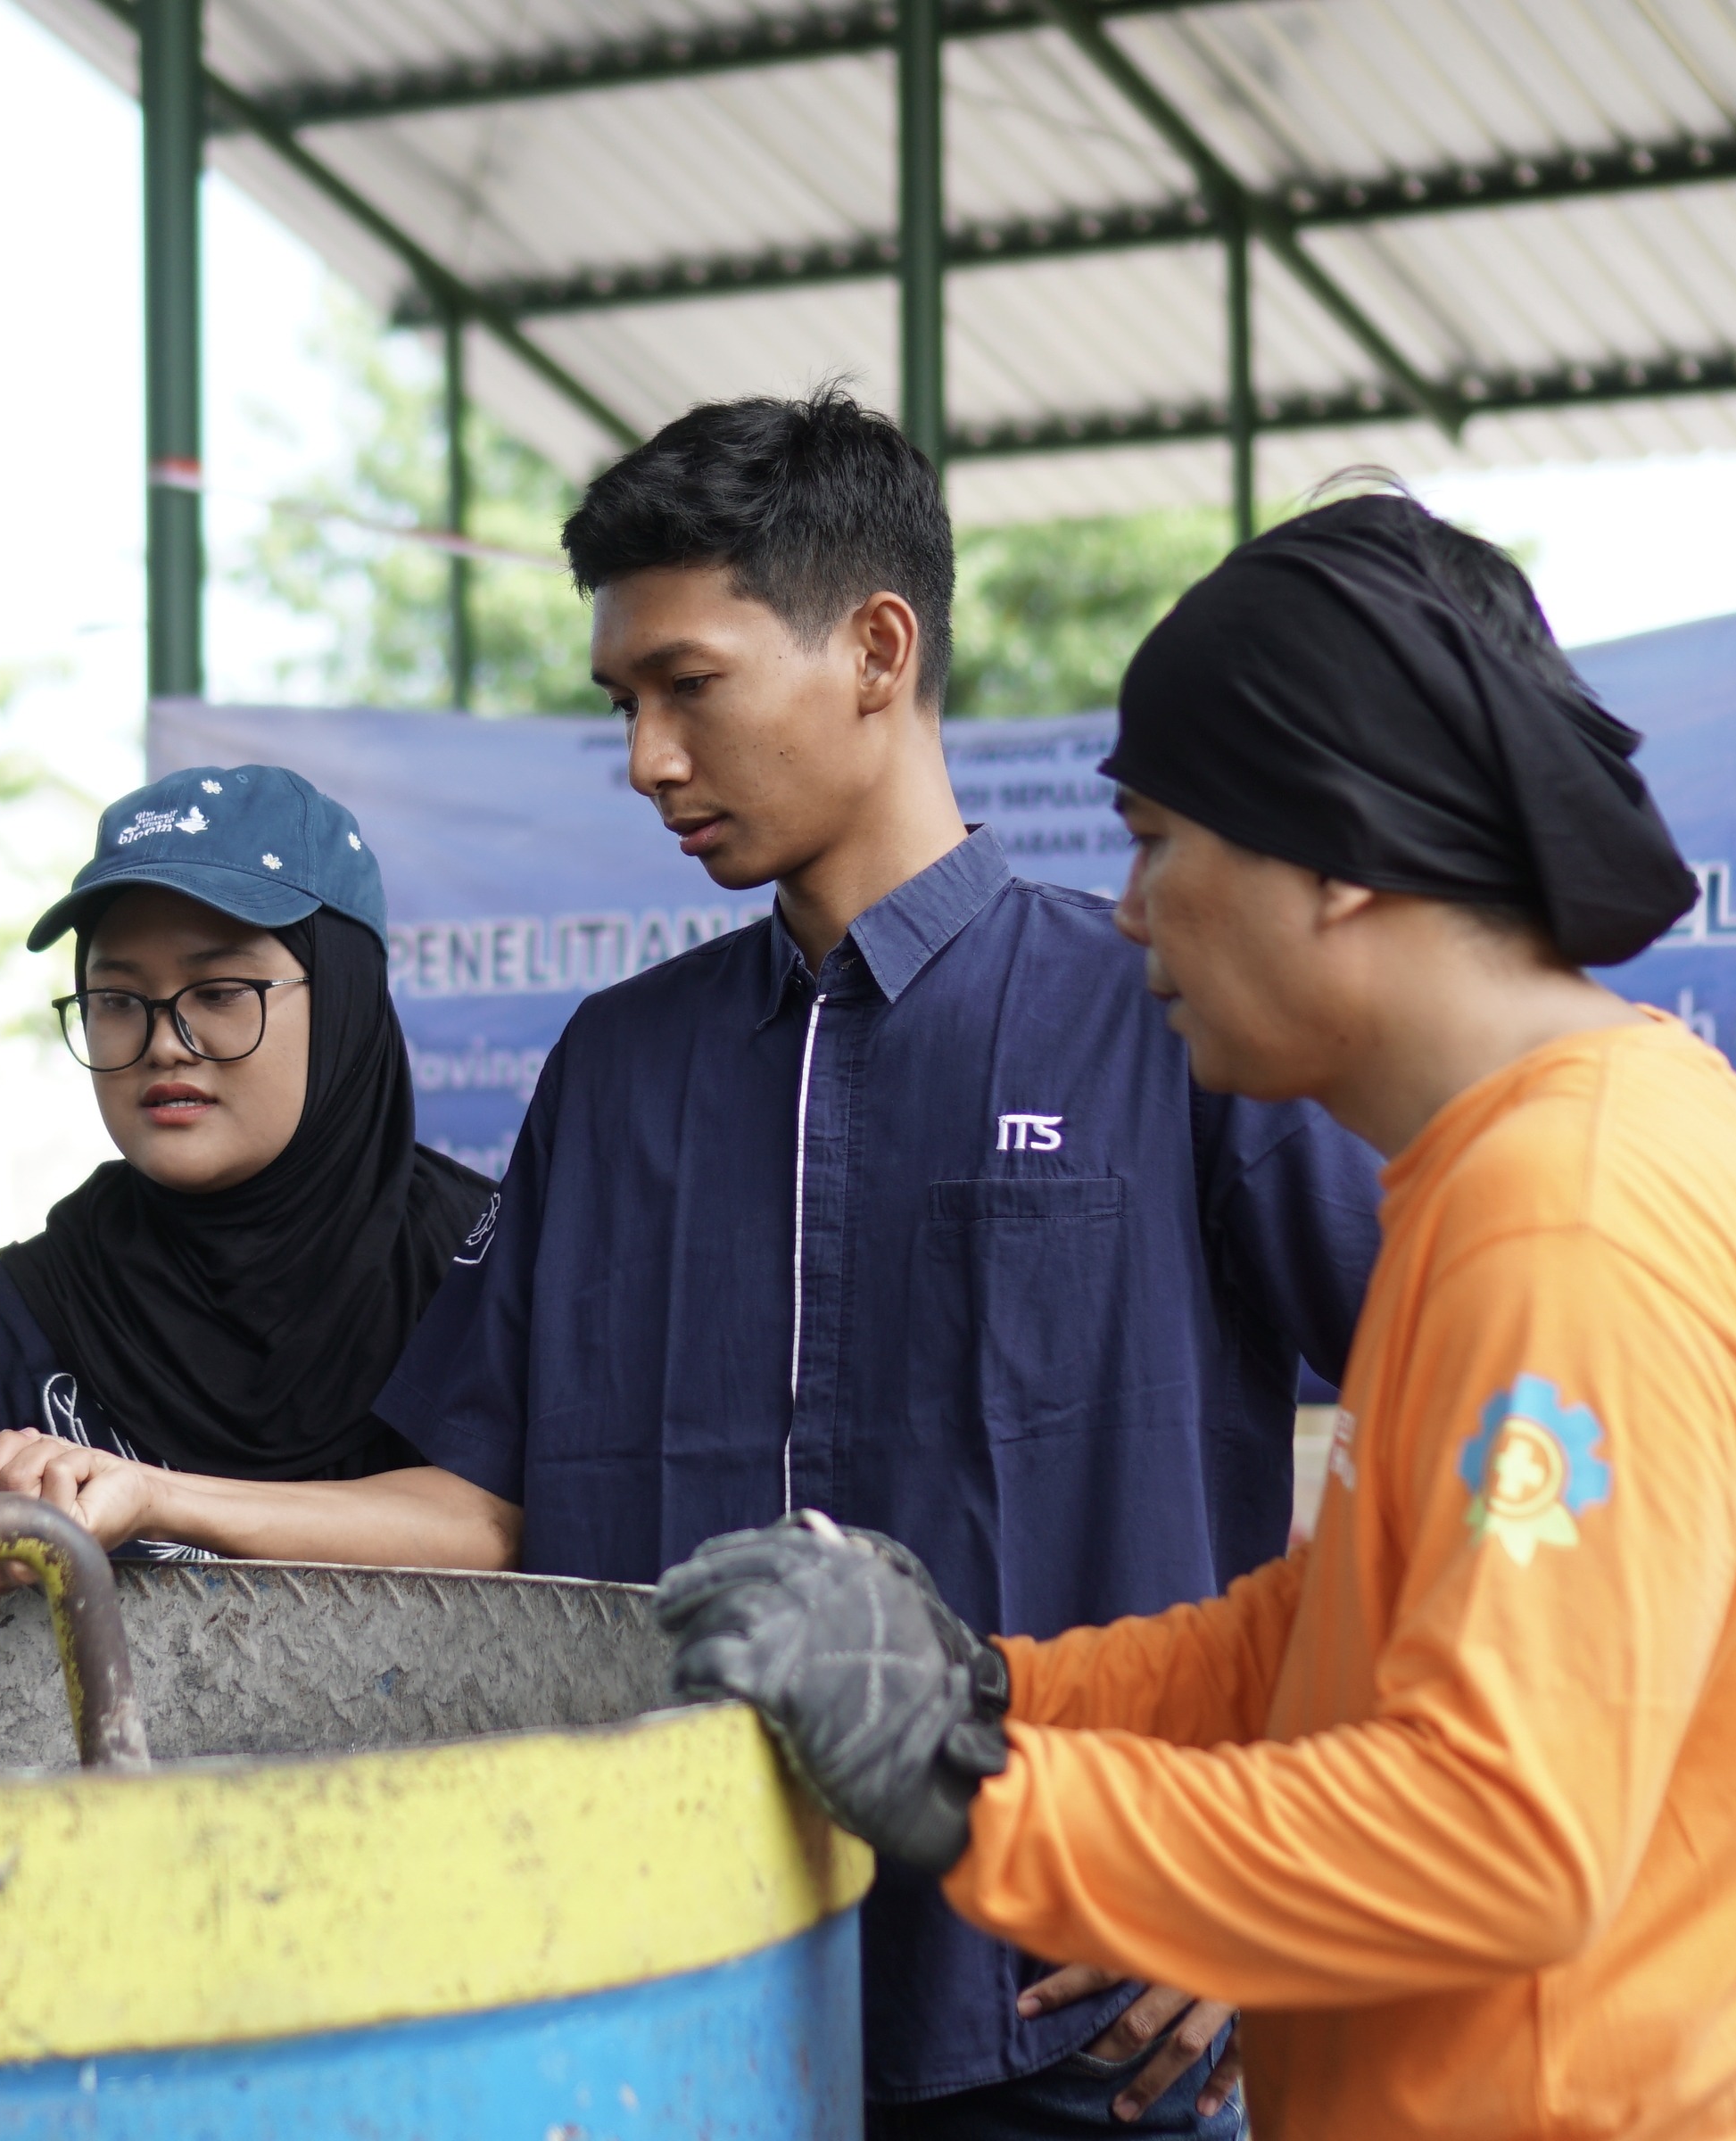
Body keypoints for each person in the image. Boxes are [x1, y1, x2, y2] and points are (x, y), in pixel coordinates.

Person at [661, 492, 1736, 2139]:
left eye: (1156, 841)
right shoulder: (1577, 1139)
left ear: (1336, 855)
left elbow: (1503, 1833)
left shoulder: (1569, 1224)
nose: (1130, 912)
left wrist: (970, 1788)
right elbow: (1339, 1626)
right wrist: (994, 1688)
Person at [370, 390, 1384, 2137]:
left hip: (1074, 2010)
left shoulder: (1159, 1020)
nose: (645, 760)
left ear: (875, 648)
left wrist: (1278, 1869)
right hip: (670, 2001)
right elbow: (480, 1503)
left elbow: (1464, 1452)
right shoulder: (617, 1073)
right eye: (622, 703)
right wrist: (154, 1501)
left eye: (688, 685)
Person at [0, 765, 515, 1572]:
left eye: (221, 991)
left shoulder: (484, 1274)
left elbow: (536, 1536)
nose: (165, 1041)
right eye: (118, 1000)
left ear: (346, 1002)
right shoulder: (12, 1330)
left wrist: (158, 1497)